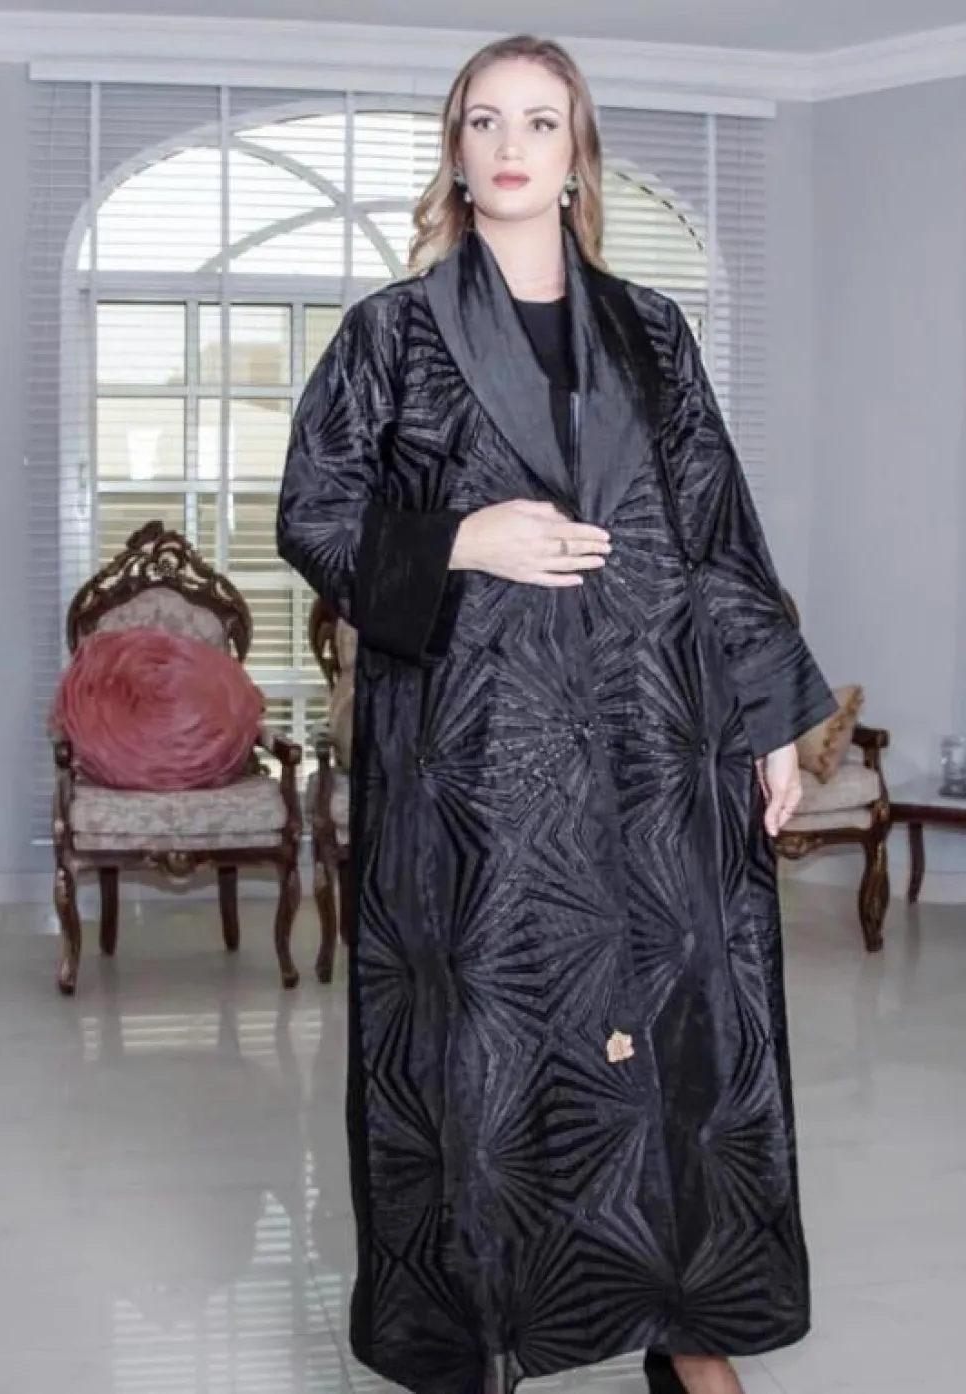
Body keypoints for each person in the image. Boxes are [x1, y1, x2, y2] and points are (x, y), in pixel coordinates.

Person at [277, 32, 837, 1394]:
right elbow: (315, 512)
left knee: (683, 1033)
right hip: (480, 768)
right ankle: (486, 1333)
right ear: (456, 152)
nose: (512, 144)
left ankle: (686, 1324)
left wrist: (772, 721)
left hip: (656, 745)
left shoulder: (653, 332)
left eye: (541, 120)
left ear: (578, 152)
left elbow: (718, 532)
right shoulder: (390, 335)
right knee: (493, 1051)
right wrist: (462, 538)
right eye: (486, 120)